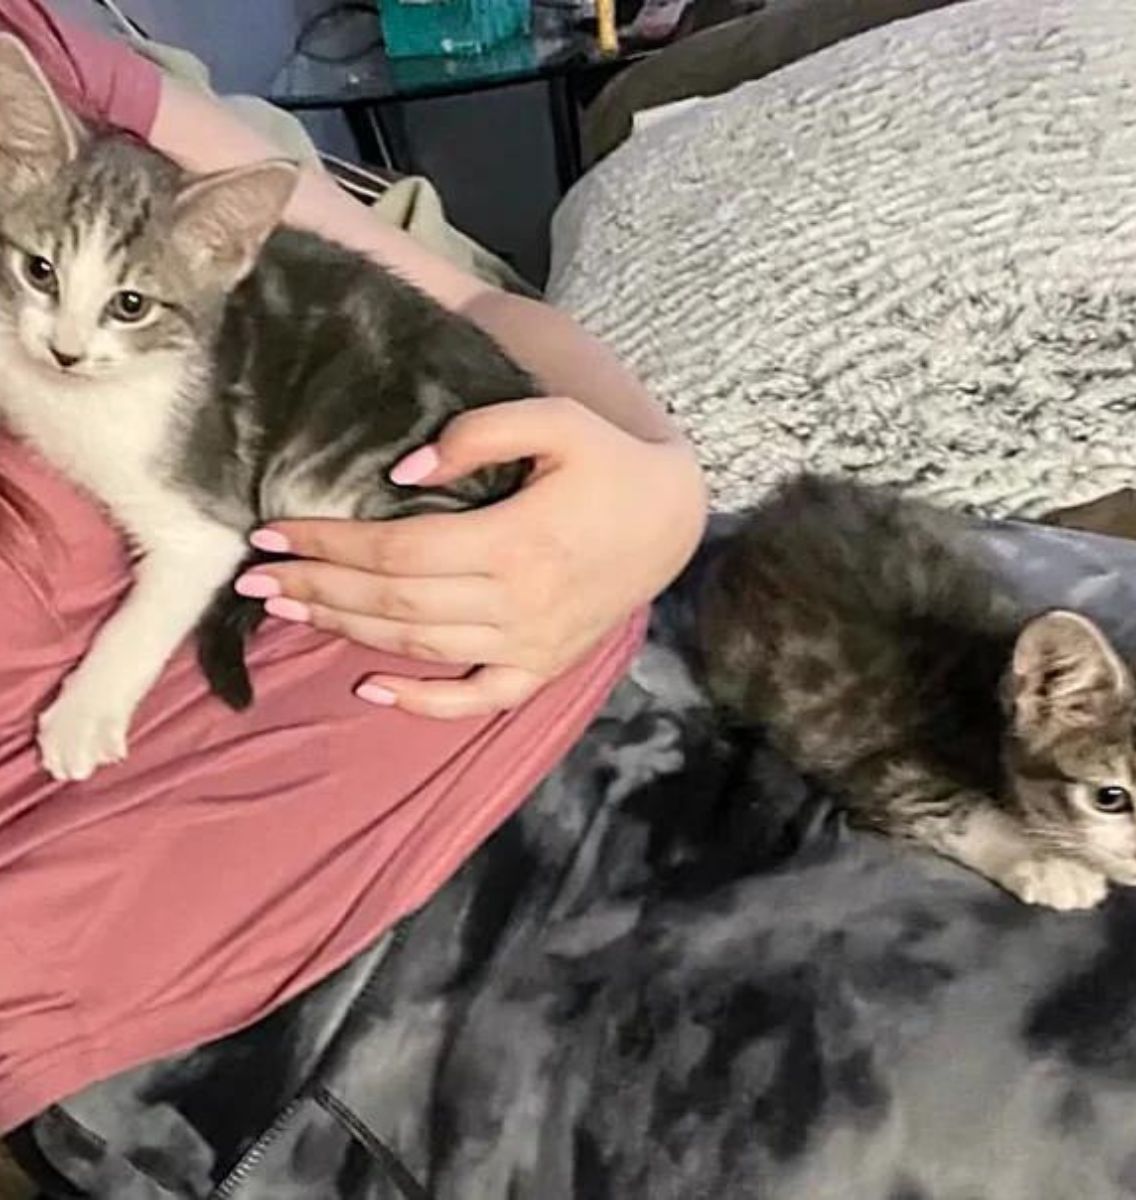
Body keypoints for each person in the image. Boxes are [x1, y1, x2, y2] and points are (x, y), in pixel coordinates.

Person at [0, 0, 706, 1138]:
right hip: (237, 989)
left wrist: (662, 494)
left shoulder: (58, 72)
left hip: (582, 690)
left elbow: (472, 302)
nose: (66, 339)